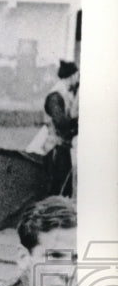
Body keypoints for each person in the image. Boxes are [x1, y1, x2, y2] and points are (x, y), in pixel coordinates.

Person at [43, 61, 79, 198]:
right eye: (77, 75)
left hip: (62, 148)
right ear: (72, 76)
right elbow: (61, 123)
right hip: (54, 149)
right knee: (58, 192)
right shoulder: (55, 96)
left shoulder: (63, 95)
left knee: (63, 191)